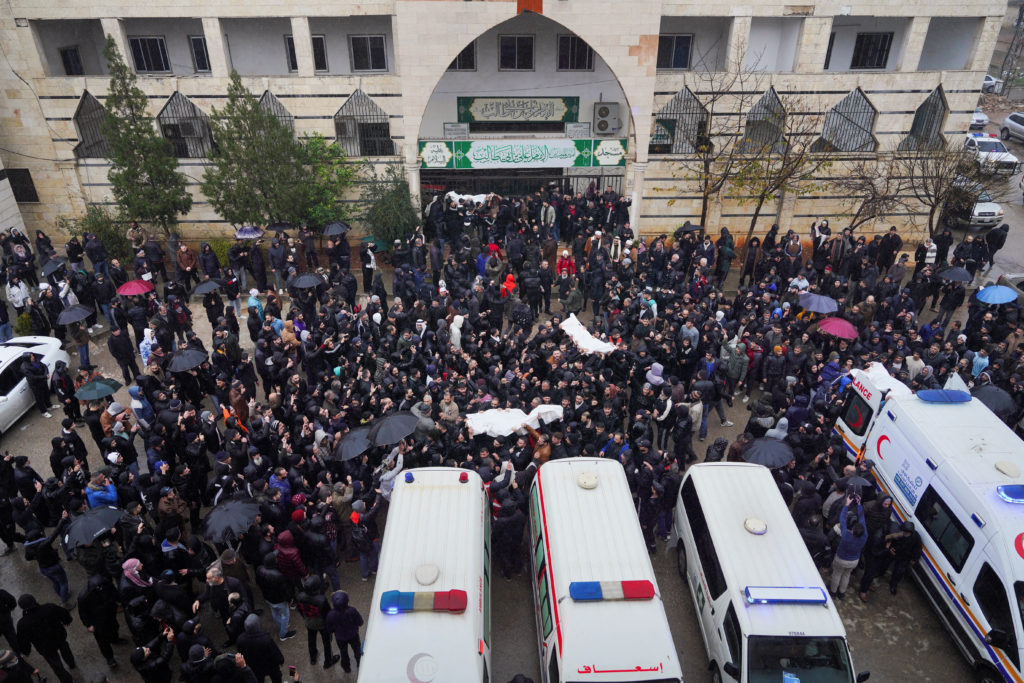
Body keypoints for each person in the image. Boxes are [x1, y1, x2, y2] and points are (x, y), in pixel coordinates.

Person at [15, 593, 75, 683]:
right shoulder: (49, 607)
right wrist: (67, 621)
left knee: (56, 665)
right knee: (66, 650)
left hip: (45, 647)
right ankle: (71, 663)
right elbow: (63, 613)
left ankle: (67, 681)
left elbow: (23, 640)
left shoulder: (22, 624)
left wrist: (26, 651)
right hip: (59, 637)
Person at [77, 573, 123, 669]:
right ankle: (109, 658)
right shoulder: (84, 597)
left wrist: (118, 603)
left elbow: (114, 593)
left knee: (114, 627)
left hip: (109, 613)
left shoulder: (107, 585)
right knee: (102, 640)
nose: (101, 588)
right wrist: (88, 624)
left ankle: (115, 639)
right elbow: (83, 612)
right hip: (97, 621)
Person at [829, 493, 867, 599]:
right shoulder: (864, 536)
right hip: (854, 561)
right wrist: (859, 504)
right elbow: (862, 519)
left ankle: (833, 592)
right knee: (846, 575)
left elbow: (842, 519)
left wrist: (846, 505)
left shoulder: (846, 535)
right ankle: (841, 593)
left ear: (853, 531)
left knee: (837, 574)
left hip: (841, 559)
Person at [236, 613, 285, 683]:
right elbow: (275, 652)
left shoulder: (241, 639)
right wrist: (281, 660)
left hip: (254, 666)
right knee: (276, 677)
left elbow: (240, 653)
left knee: (258, 679)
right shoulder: (266, 639)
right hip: (270, 665)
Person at [325, 591, 363, 674]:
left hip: (340, 637)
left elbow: (330, 629)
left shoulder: (330, 615)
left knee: (343, 652)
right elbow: (360, 622)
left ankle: (346, 667)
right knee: (357, 650)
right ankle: (360, 663)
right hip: (353, 635)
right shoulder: (352, 611)